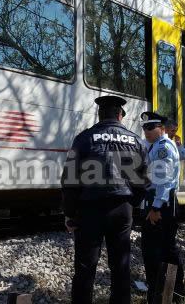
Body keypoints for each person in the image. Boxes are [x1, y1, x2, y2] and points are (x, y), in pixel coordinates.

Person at [61, 95, 148, 304]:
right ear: (120, 115)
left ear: (99, 115)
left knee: (85, 267)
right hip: (122, 209)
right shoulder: (135, 140)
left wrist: (70, 214)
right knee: (121, 265)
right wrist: (131, 203)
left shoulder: (84, 138)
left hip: (90, 209)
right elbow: (144, 180)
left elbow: (69, 180)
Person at [140, 112, 185, 303]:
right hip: (159, 201)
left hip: (161, 204)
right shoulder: (156, 146)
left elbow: (164, 181)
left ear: (161, 128)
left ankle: (166, 293)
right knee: (163, 248)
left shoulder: (163, 148)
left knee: (158, 249)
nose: (146, 132)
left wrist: (156, 208)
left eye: (150, 128)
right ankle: (169, 292)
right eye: (144, 128)